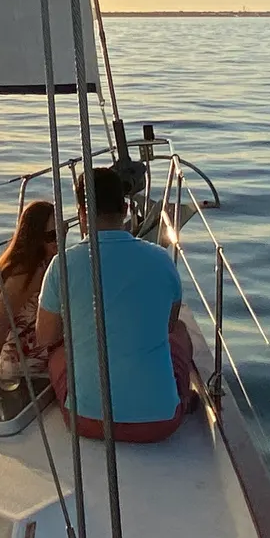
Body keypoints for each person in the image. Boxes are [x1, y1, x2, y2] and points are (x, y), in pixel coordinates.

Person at [36, 165, 194, 443]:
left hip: (85, 421)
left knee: (58, 353)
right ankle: (182, 395)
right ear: (125, 209)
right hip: (159, 423)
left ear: (82, 214)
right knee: (179, 332)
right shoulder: (161, 260)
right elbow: (168, 326)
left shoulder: (62, 264)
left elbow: (45, 337)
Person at [0, 199, 58, 385]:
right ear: (36, 238)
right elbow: (2, 320)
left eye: (62, 230)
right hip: (11, 353)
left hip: (22, 337)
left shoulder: (46, 262)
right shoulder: (29, 272)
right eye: (52, 235)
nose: (58, 239)